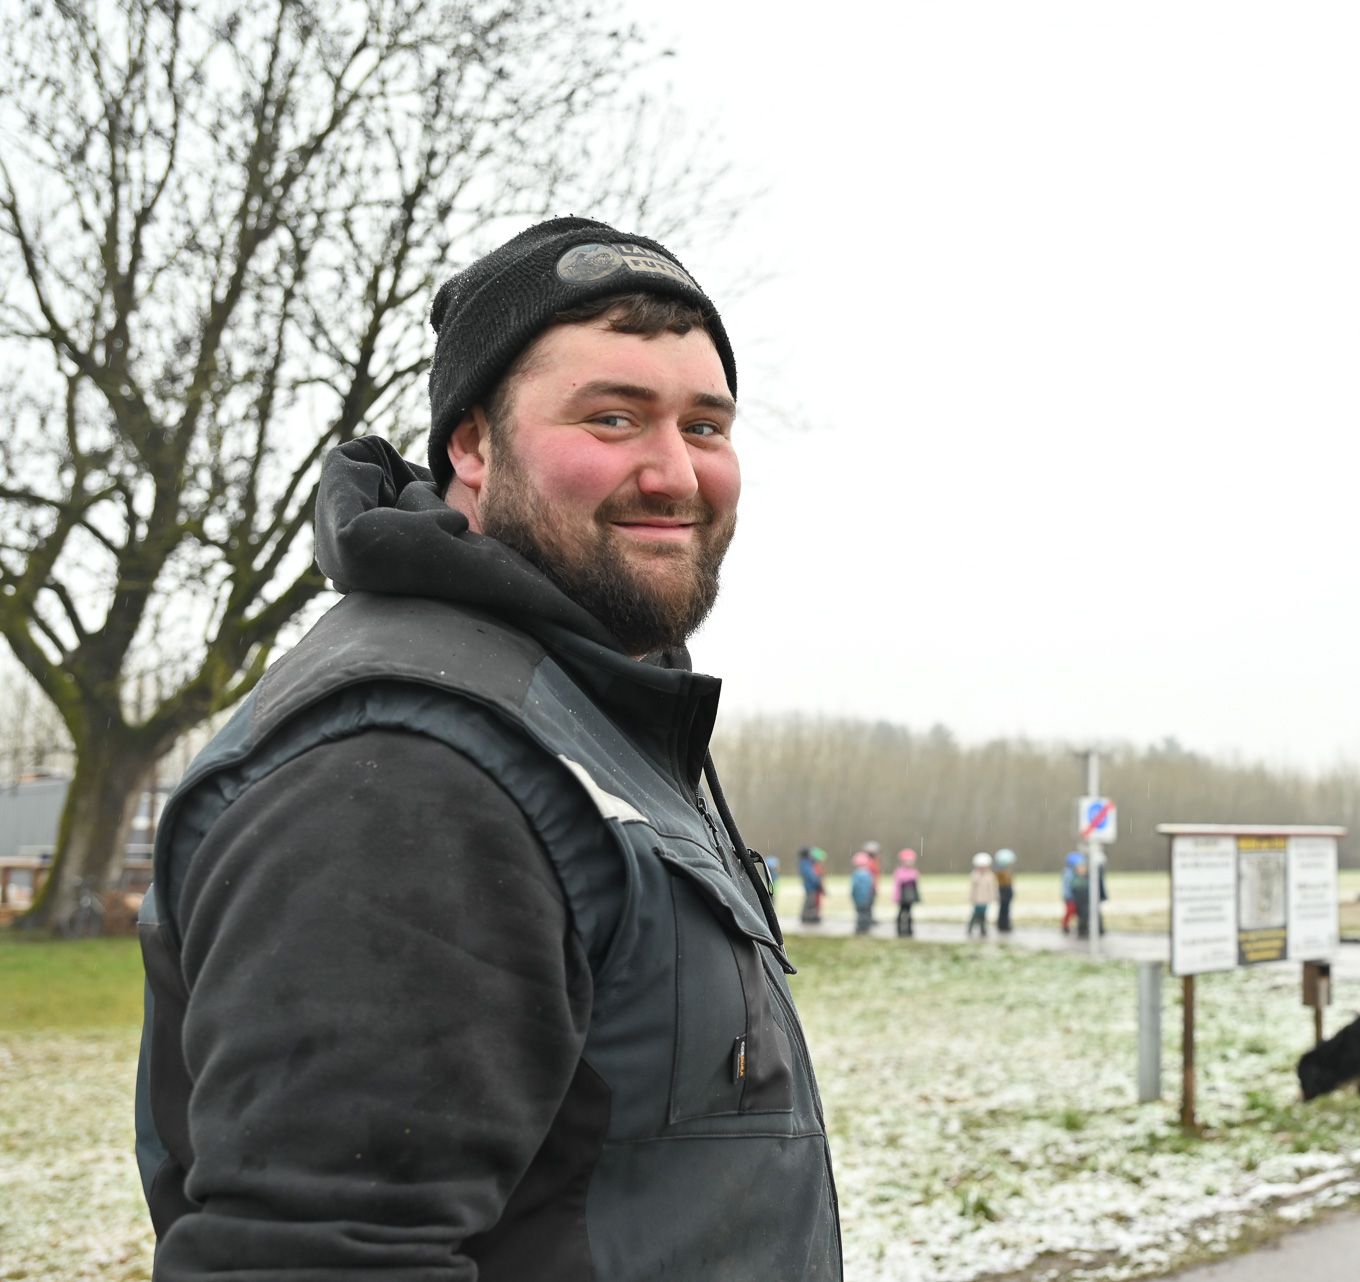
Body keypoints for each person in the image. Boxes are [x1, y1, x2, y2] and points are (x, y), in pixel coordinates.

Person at [132, 218, 841, 1279]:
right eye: (612, 417)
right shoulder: (414, 766)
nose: (674, 474)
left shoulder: (582, 715)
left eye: (705, 426)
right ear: (470, 446)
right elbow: (315, 1255)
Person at [892, 848, 921, 937]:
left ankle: (909, 929)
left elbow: (916, 887)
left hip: (910, 897)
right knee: (901, 913)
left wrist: (917, 897)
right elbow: (897, 886)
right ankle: (900, 929)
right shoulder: (899, 872)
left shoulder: (914, 872)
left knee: (909, 914)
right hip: (902, 897)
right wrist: (896, 897)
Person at [967, 852, 996, 938]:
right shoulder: (974, 875)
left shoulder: (990, 875)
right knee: (976, 913)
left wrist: (992, 896)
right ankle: (971, 927)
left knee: (983, 914)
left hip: (986, 898)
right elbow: (972, 888)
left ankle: (983, 928)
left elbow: (992, 888)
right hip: (977, 898)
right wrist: (971, 897)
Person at [799, 845, 826, 924]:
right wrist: (818, 883)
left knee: (810, 901)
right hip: (811, 886)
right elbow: (810, 875)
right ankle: (808, 918)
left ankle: (808, 917)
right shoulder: (805, 863)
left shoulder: (804, 862)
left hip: (810, 886)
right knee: (810, 902)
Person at [994, 847, 1018, 933]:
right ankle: (1002, 925)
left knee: (1006, 909)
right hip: (1003, 892)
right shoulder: (1000, 872)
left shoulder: (1007, 871)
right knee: (1003, 910)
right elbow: (1004, 883)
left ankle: (1005, 924)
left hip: (1007, 892)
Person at [850, 857, 877, 934]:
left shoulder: (856, 874)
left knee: (860, 913)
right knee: (866, 912)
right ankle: (865, 927)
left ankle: (861, 927)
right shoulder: (868, 874)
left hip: (859, 898)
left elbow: (854, 887)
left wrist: (853, 896)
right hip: (867, 897)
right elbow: (871, 886)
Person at [1061, 851, 1084, 934]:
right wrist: (1069, 896)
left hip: (1073, 896)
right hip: (1070, 897)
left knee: (1074, 912)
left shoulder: (1073, 872)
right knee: (1070, 911)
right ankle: (1065, 926)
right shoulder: (1068, 873)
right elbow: (1067, 887)